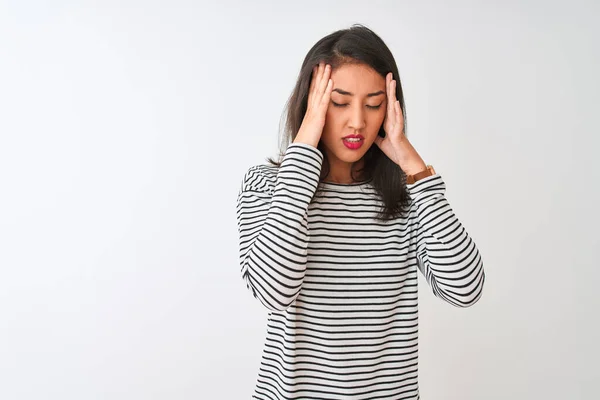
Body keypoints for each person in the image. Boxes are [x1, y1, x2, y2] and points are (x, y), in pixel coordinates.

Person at [235, 24, 485, 400]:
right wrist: (303, 151)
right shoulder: (269, 185)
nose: (357, 121)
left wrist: (414, 168)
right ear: (312, 105)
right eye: (338, 103)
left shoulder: (407, 195)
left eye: (373, 104)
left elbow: (465, 289)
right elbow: (274, 289)